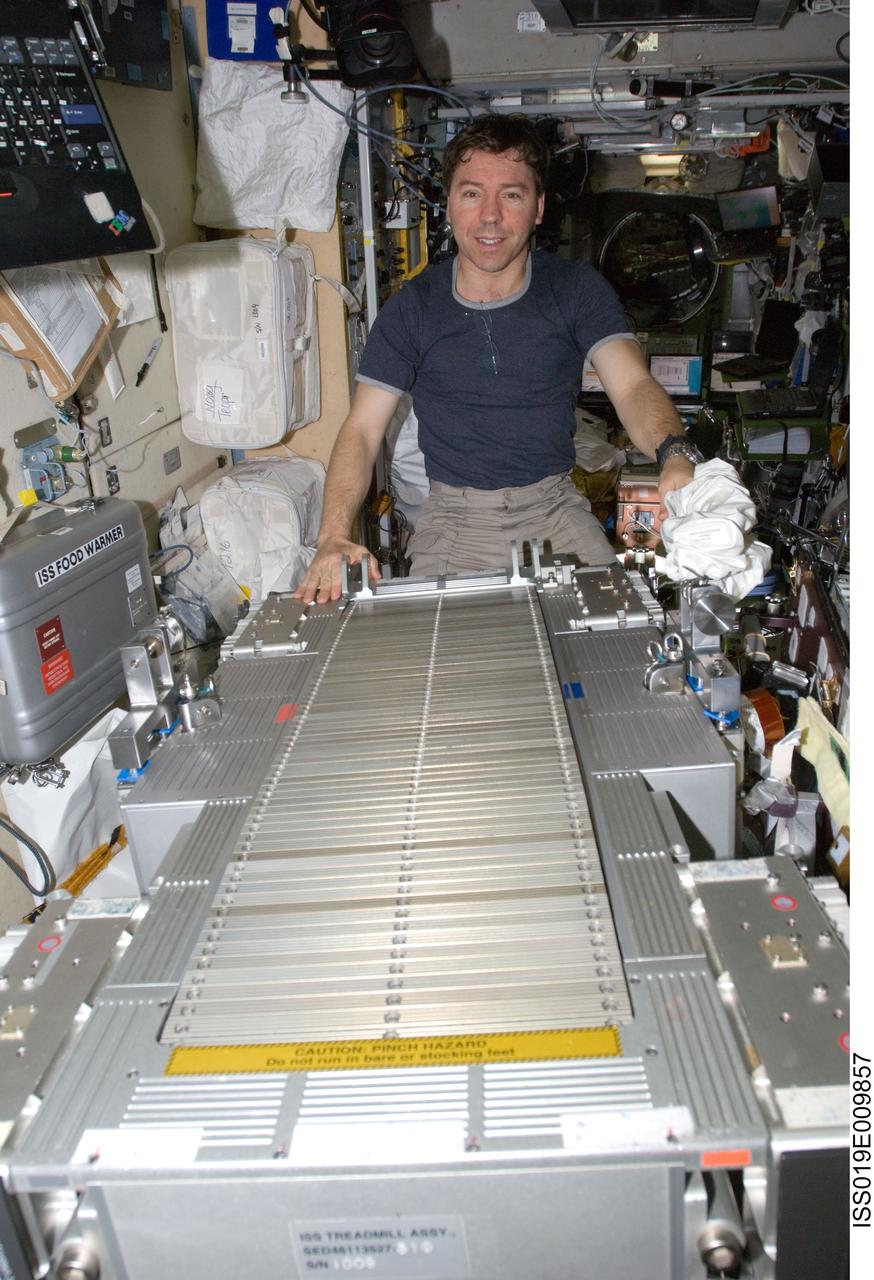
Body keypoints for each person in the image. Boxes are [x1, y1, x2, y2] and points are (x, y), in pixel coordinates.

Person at [296, 115, 700, 604]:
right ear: (449, 205)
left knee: (621, 637)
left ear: (538, 208)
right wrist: (332, 534)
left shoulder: (575, 291)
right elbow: (362, 430)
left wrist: (675, 452)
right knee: (444, 672)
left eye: (511, 194)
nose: (490, 216)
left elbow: (632, 385)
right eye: (471, 194)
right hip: (453, 521)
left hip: (555, 509)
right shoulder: (413, 309)